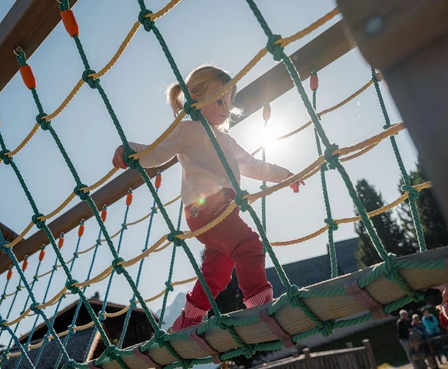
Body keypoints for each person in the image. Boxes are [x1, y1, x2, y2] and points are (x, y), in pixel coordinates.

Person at [112, 65, 304, 332]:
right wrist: (130, 150)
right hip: (204, 209)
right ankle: (260, 305)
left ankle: (188, 320)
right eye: (218, 101)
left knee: (218, 271)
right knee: (249, 244)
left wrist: (285, 175)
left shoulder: (227, 141)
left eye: (229, 101)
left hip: (225, 211)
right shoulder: (188, 131)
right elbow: (157, 153)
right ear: (196, 99)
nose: (225, 108)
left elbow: (254, 166)